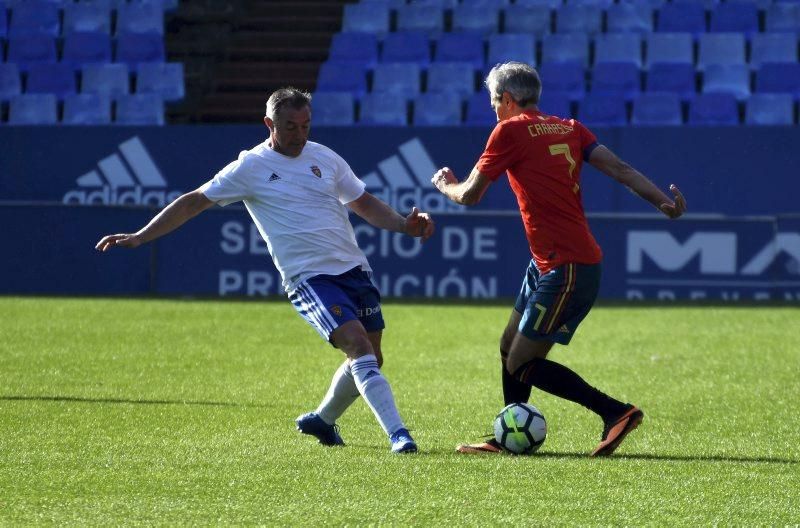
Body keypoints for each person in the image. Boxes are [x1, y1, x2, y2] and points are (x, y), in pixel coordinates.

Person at [96, 87, 434, 454]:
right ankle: (399, 435)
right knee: (357, 346)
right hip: (309, 278)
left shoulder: (325, 158)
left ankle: (322, 419)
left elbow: (363, 203)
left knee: (371, 357)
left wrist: (404, 225)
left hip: (354, 270)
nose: (299, 134)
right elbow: (194, 201)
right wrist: (142, 236)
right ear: (268, 124)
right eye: (290, 126)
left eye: (305, 125)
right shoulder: (251, 166)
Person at [431, 62, 686, 457]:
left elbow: (469, 195)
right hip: (550, 263)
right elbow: (618, 169)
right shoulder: (569, 127)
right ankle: (508, 436)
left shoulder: (509, 129)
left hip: (567, 267)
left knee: (520, 363)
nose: (493, 110)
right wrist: (663, 203)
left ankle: (616, 412)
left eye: (494, 102)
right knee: (509, 347)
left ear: (509, 99)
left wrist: (444, 185)